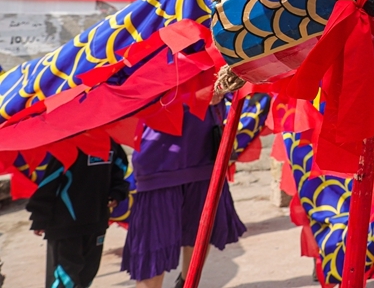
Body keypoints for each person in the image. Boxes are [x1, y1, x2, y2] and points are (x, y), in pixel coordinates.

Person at [121, 101, 246, 288]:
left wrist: (221, 88)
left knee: (200, 234)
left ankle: (187, 283)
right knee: (152, 251)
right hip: (158, 161)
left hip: (205, 155)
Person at [27, 144, 130, 288]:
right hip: (65, 227)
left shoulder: (110, 144)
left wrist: (116, 193)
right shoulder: (65, 145)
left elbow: (120, 170)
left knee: (87, 275)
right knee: (65, 280)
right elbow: (48, 182)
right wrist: (39, 217)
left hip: (97, 223)